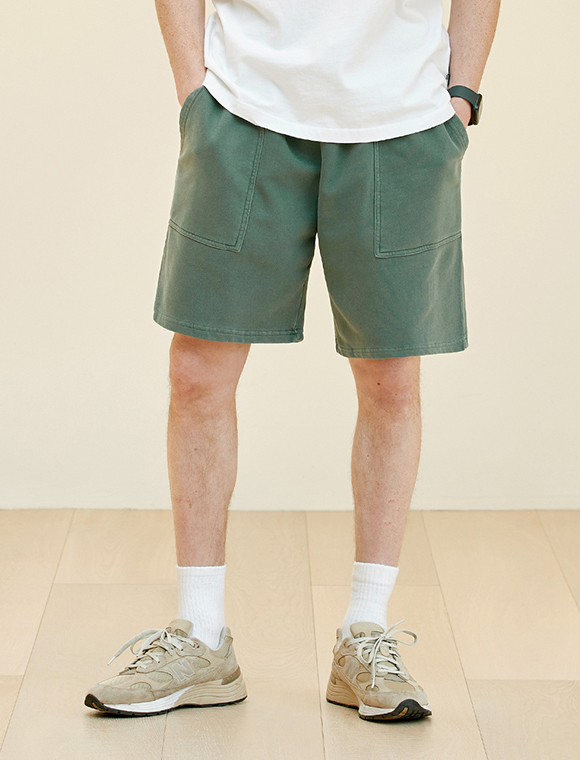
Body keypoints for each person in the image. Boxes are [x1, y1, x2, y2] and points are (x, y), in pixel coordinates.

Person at [85, 0, 500, 721]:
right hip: (241, 107)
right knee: (198, 370)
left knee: (391, 380)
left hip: (401, 118)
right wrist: (194, 93)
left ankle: (366, 631)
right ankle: (201, 634)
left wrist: (461, 97)